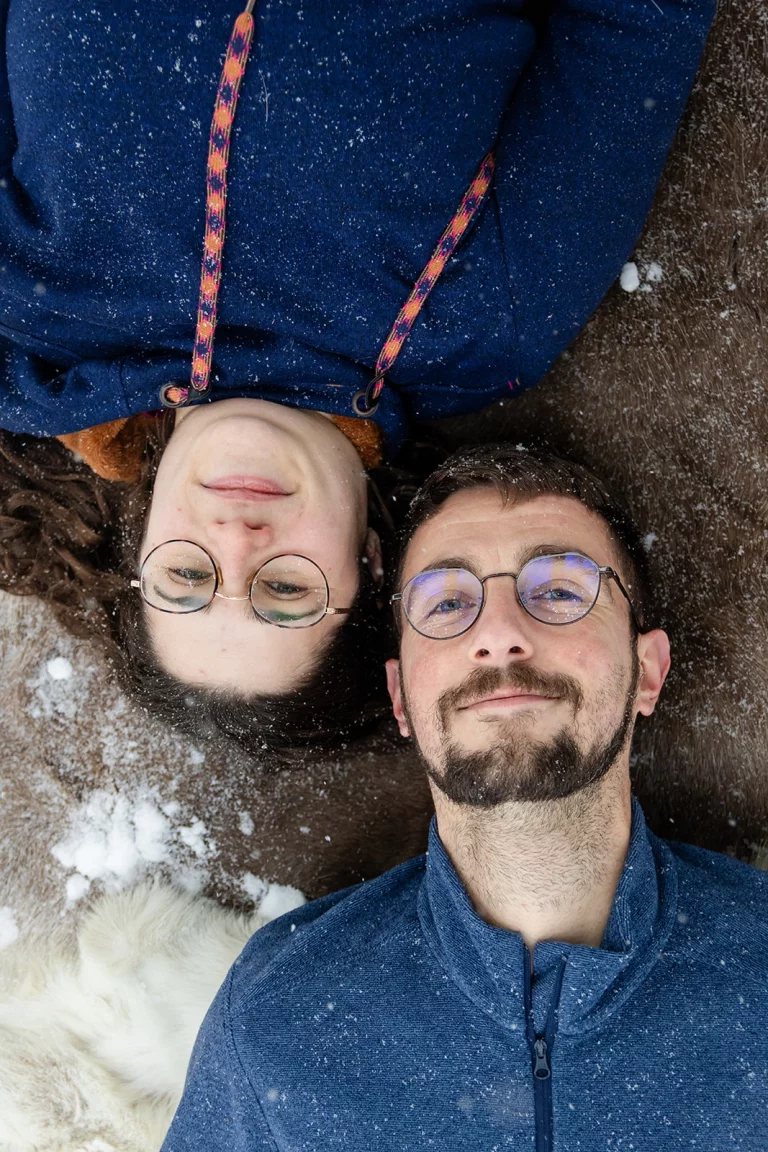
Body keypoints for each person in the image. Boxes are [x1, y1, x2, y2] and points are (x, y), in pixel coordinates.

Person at [0, 0, 717, 748]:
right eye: (286, 590)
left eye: (186, 579)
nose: (237, 542)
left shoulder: (35, 310)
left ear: (141, 537)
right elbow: (637, 22)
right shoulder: (492, 320)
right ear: (372, 564)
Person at [161, 444, 768, 1150]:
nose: (502, 634)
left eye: (561, 591)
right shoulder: (278, 1009)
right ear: (401, 697)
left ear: (648, 671)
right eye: (448, 602)